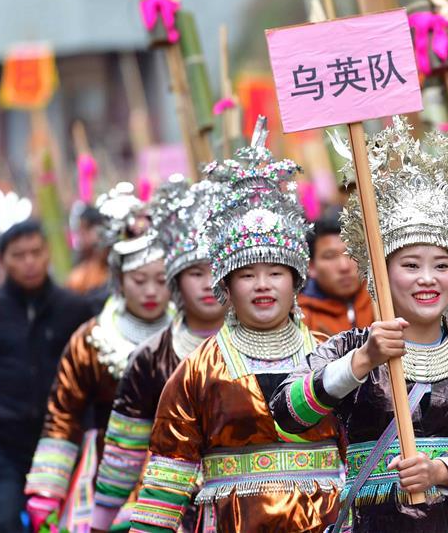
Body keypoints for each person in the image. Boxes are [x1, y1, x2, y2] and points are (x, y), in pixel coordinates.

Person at [271, 118, 448, 532]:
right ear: (380, 277)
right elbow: (287, 413)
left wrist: (441, 473)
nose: (427, 278)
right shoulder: (349, 348)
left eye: (441, 266)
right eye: (410, 265)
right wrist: (362, 362)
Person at [129, 119, 342, 533]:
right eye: (247, 275)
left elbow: (367, 455)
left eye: (275, 273)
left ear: (297, 279)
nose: (262, 285)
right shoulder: (197, 370)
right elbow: (166, 481)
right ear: (226, 284)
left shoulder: (330, 356)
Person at [24, 186, 172, 533]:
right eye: (139, 280)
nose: (150, 291)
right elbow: (63, 414)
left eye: (161, 280)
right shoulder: (91, 339)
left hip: (177, 469)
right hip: (105, 469)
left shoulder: (190, 336)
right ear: (119, 281)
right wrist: (47, 491)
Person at [89, 177, 226, 531]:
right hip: (175, 511)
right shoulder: (152, 357)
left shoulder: (287, 345)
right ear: (176, 280)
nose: (209, 284)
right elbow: (125, 451)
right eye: (196, 272)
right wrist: (99, 523)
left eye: (216, 271)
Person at [0, 220, 94, 533]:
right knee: (3, 521)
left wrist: (87, 427)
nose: (29, 262)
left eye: (36, 252)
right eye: (19, 255)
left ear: (48, 255)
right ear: (2, 261)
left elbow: (92, 374)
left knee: (65, 521)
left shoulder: (74, 309)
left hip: (61, 440)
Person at [299, 215, 375, 335]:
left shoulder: (381, 298)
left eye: (351, 252)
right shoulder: (302, 317)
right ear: (311, 267)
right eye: (330, 256)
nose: (344, 266)